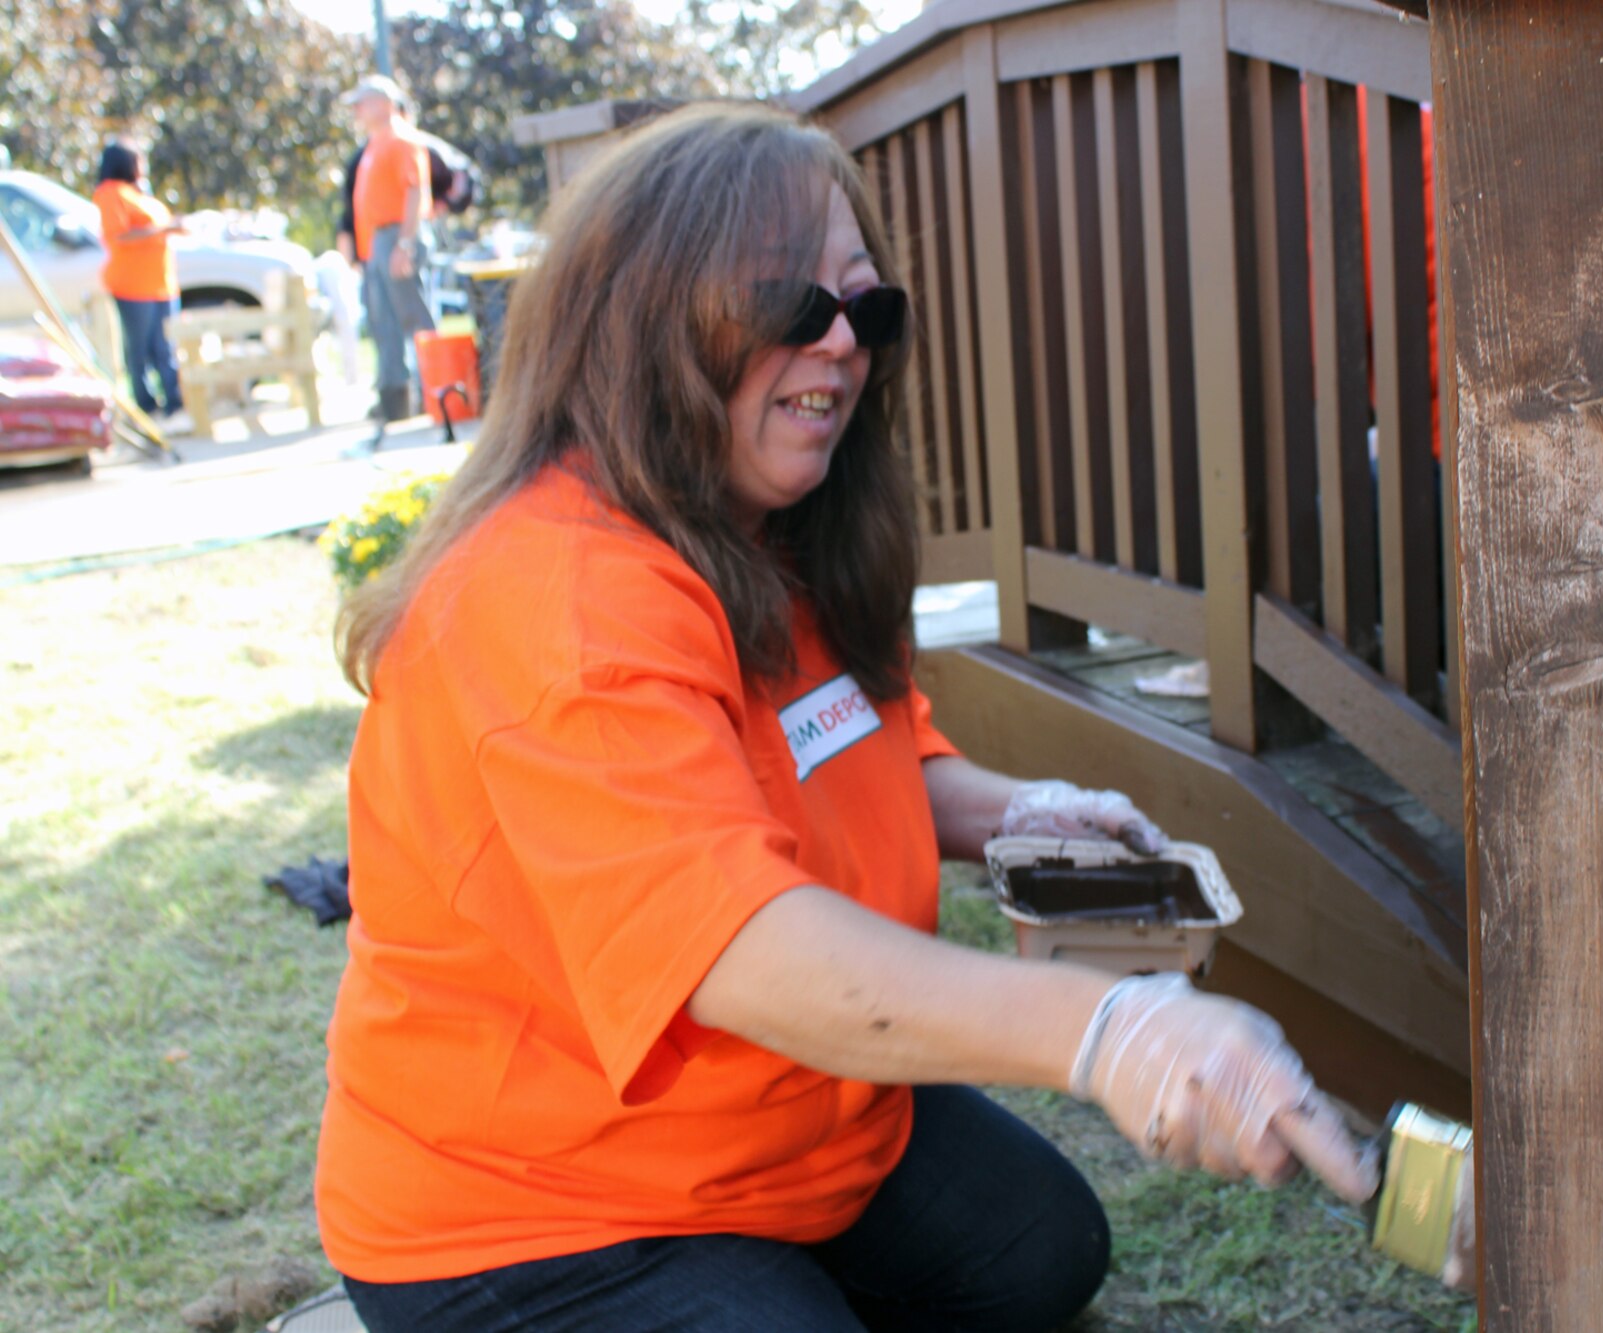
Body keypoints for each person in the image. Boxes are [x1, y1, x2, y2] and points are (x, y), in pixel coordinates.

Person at [316, 102, 1378, 1333]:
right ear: (646, 315)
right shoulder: (556, 599)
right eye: (788, 306)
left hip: (786, 1120)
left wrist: (1016, 814)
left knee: (1040, 1250)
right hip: (538, 1207)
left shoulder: (760, 521)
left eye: (866, 310)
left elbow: (854, 744)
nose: (838, 347)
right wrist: (1108, 1028)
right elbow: (739, 949)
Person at [340, 73, 435, 428]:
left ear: (383, 103)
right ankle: (396, 400)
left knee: (415, 318)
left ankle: (436, 393)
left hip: (398, 235)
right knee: (384, 324)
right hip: (378, 242)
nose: (357, 111)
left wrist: (405, 244)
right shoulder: (373, 144)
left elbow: (414, 192)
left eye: (361, 103)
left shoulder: (401, 140)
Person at [91, 140, 191, 436]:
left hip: (161, 284)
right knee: (140, 350)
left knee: (166, 348)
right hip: (133, 285)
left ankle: (175, 406)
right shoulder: (110, 193)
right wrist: (163, 229)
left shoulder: (140, 193)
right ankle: (147, 410)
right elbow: (119, 235)